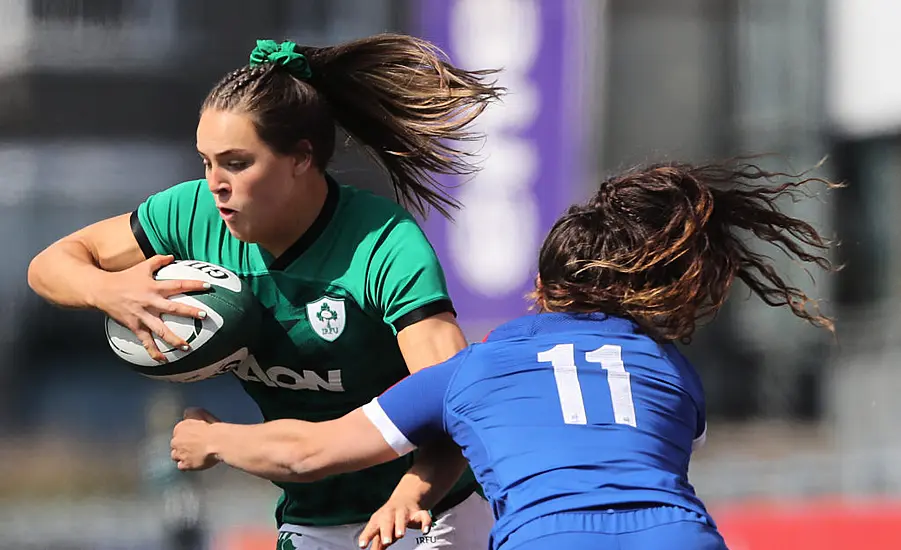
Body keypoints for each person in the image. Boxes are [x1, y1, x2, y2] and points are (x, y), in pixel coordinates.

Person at [169, 160, 837, 550]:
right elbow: (583, 444)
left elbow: (308, 453)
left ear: (539, 289)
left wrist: (212, 438)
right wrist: (420, 484)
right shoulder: (670, 372)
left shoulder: (471, 371)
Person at [28, 35, 504, 549]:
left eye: (236, 162)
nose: (214, 184)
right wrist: (109, 290)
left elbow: (458, 402)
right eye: (205, 161)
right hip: (313, 516)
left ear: (301, 158)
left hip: (434, 510)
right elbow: (49, 264)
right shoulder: (191, 215)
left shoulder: (383, 245)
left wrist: (410, 496)